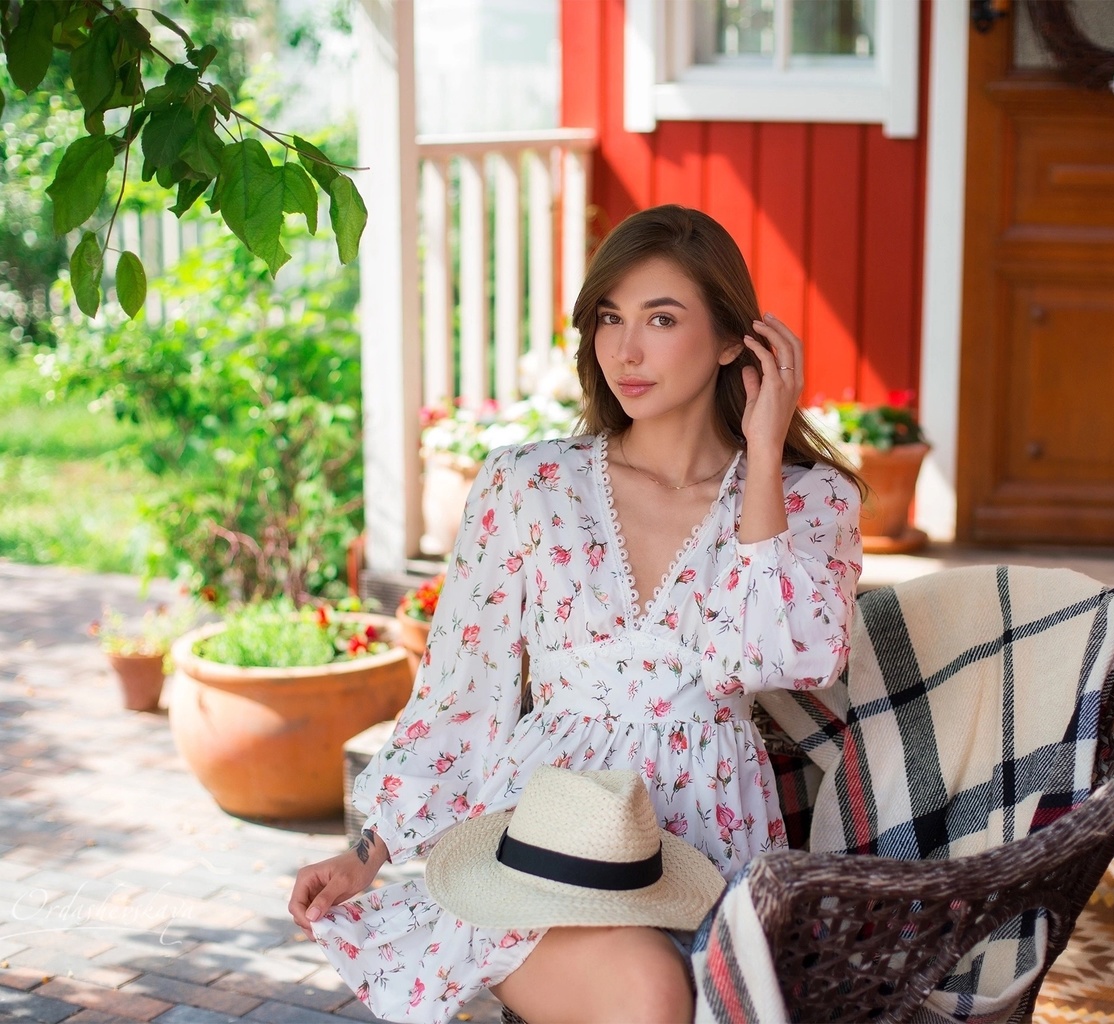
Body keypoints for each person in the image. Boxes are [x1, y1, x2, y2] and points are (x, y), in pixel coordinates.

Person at [288, 204, 865, 1024]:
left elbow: (781, 659)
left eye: (661, 319)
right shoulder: (527, 486)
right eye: (609, 318)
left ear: (736, 340)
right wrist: (366, 852)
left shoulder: (809, 501)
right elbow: (461, 689)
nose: (626, 350)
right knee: (650, 997)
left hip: (711, 837)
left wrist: (765, 460)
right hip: (542, 835)